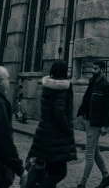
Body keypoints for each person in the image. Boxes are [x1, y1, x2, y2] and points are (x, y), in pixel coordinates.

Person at [28, 59, 77, 187]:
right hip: (56, 137)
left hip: (44, 132)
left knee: (50, 171)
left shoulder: (47, 87)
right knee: (60, 173)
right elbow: (59, 114)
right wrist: (68, 130)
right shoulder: (62, 88)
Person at [76, 60, 109, 188]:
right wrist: (83, 114)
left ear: (102, 70)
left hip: (96, 123)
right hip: (89, 121)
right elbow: (87, 100)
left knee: (89, 153)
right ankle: (106, 177)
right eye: (93, 68)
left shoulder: (106, 86)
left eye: (96, 68)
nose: (93, 70)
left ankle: (82, 183)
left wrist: (105, 126)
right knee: (95, 151)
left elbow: (108, 108)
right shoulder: (92, 82)